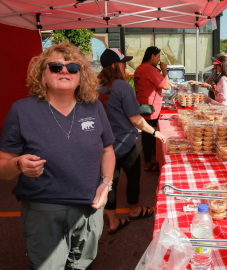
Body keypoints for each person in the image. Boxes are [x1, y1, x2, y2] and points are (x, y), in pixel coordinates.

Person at [0, 42, 115, 269]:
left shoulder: (94, 107)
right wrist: (18, 163)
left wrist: (106, 182)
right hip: (43, 210)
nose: (64, 71)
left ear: (80, 77)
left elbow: (107, 150)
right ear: (42, 76)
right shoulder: (22, 110)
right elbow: (3, 168)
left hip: (89, 208)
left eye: (72, 68)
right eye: (55, 67)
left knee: (82, 264)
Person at [97, 48, 167, 235]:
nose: (125, 65)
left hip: (103, 146)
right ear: (114, 65)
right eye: (122, 62)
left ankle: (112, 221)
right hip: (125, 143)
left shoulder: (94, 86)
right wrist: (155, 132)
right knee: (134, 177)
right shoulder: (122, 86)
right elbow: (135, 119)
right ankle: (134, 210)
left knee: (109, 181)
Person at [134, 46, 172, 171]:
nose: (159, 59)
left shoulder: (139, 68)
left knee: (146, 135)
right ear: (152, 56)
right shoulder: (150, 69)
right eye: (158, 57)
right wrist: (164, 70)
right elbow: (166, 86)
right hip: (151, 108)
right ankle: (148, 162)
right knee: (151, 135)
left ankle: (149, 160)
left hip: (142, 105)